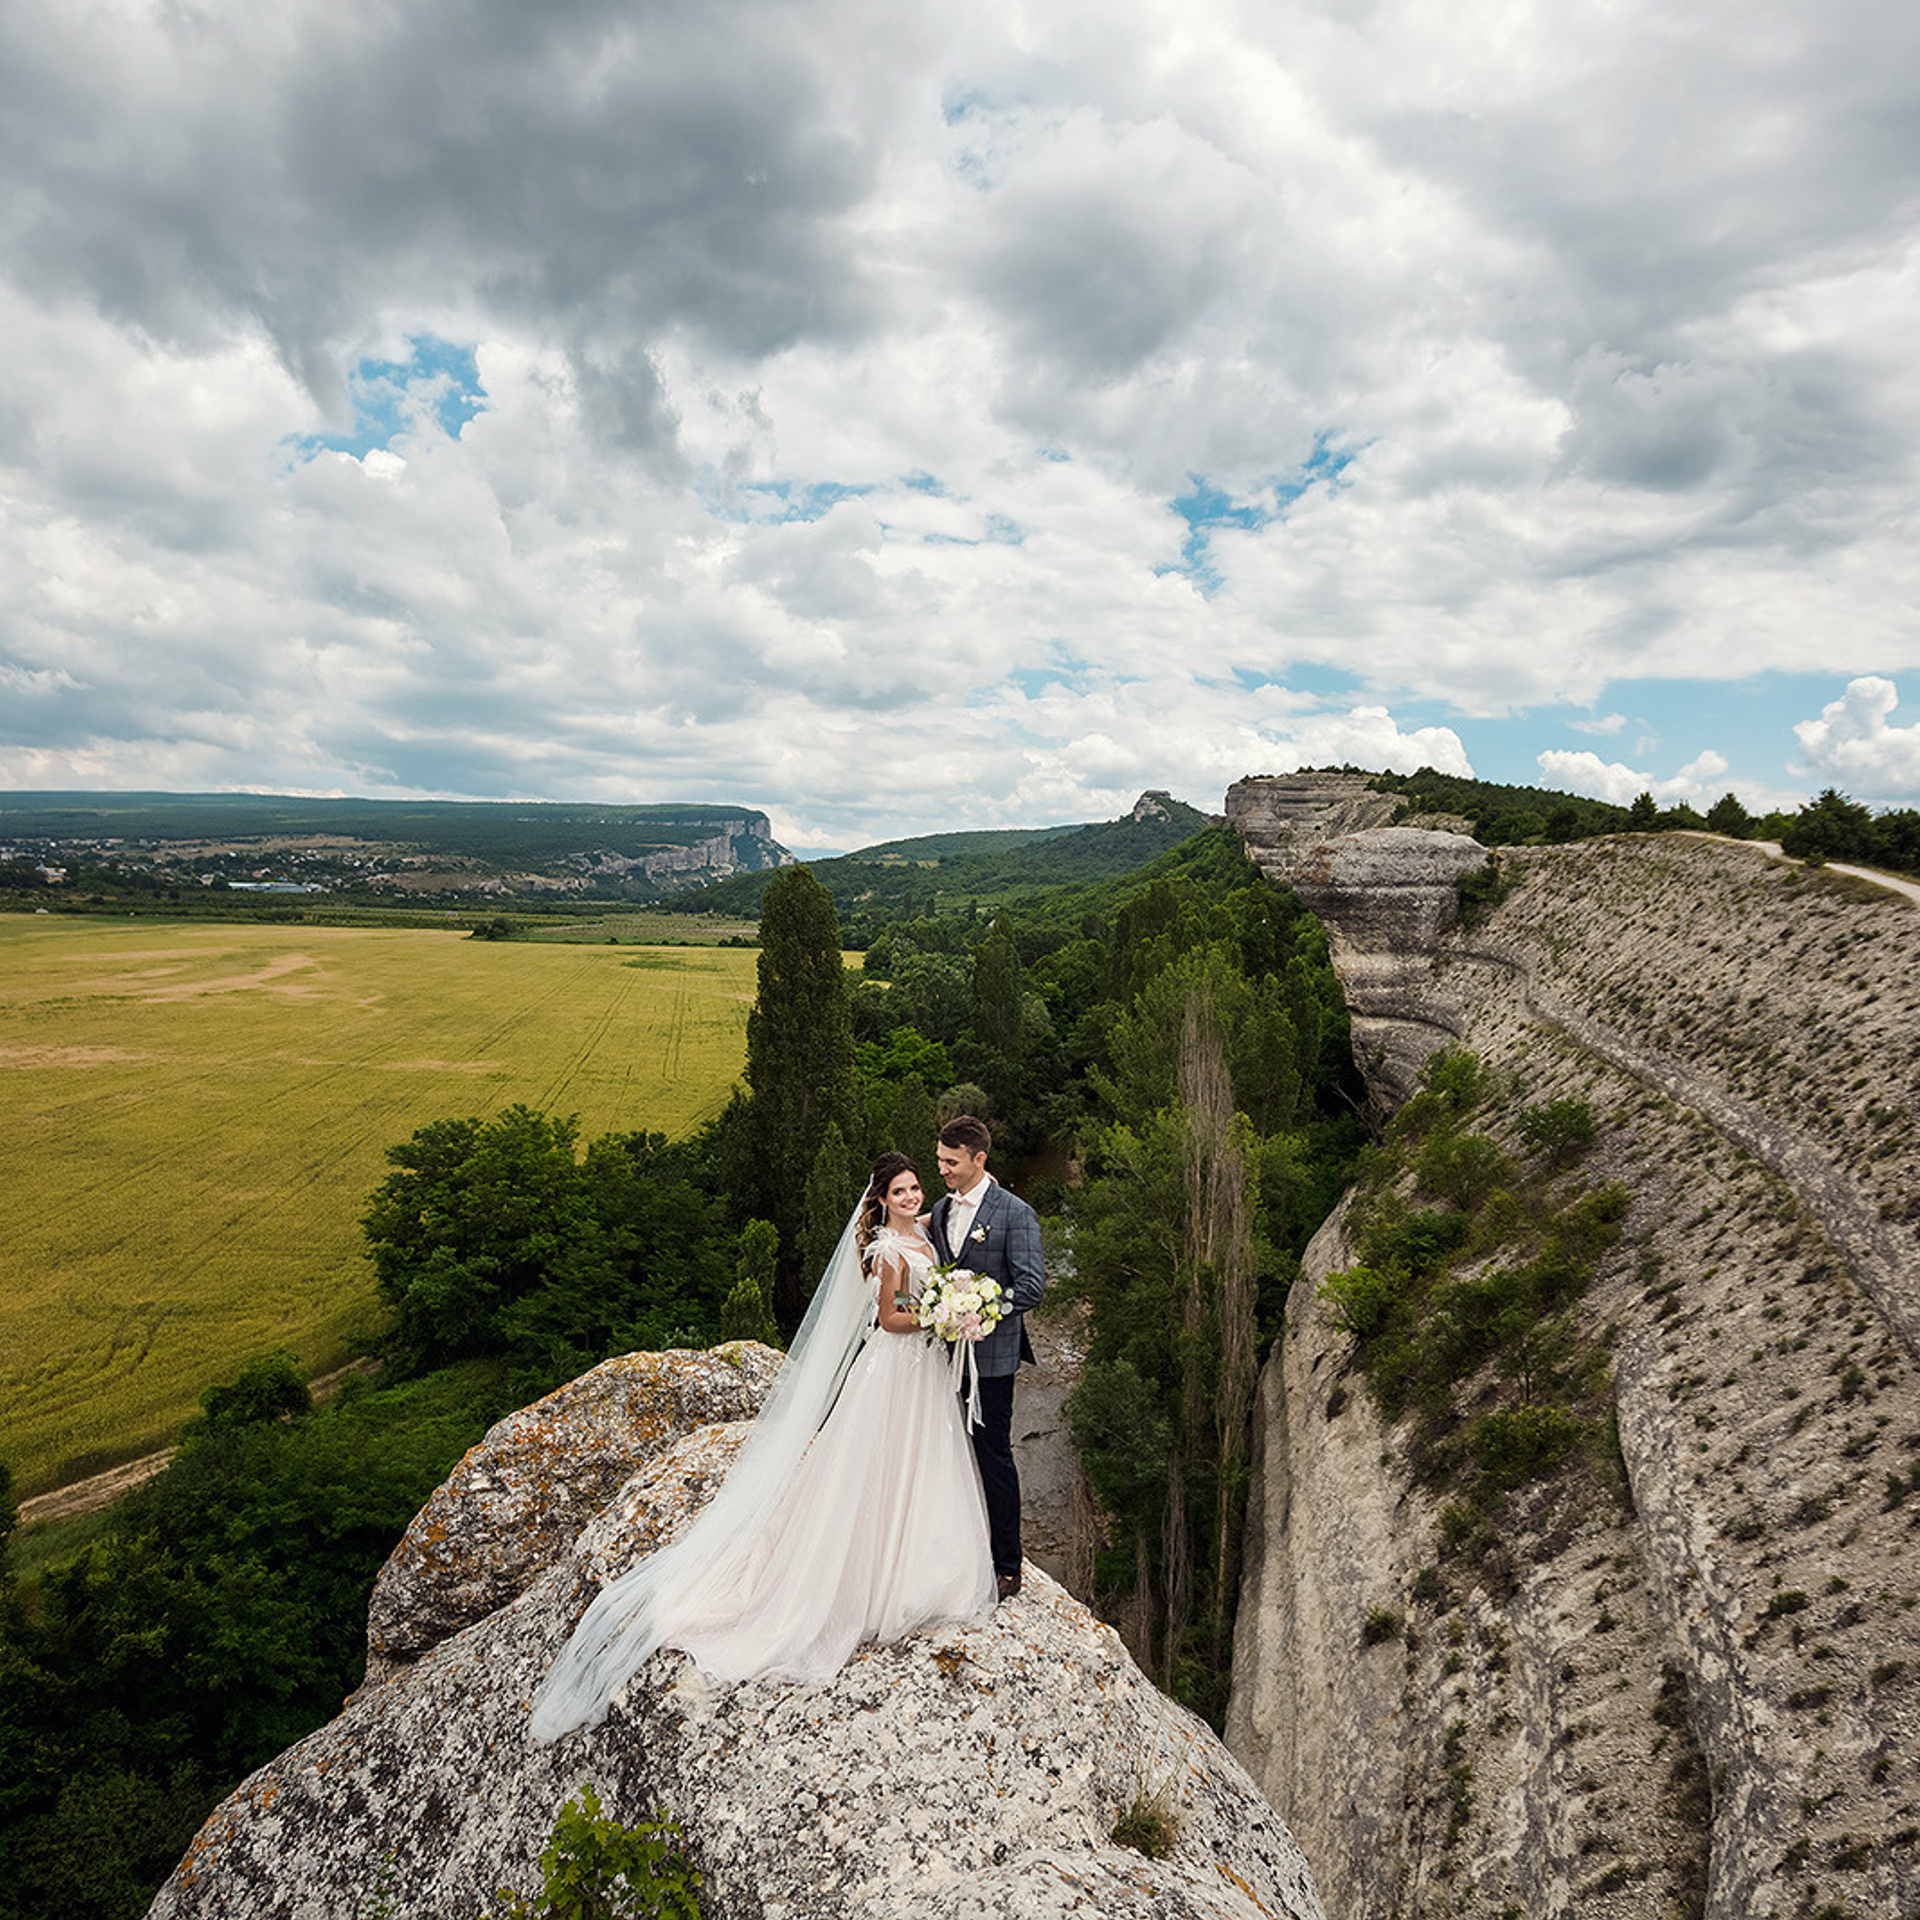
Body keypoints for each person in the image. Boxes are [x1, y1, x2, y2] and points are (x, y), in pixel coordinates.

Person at [528, 1152, 995, 1740]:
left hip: (921, 1372)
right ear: (880, 1200)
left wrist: (953, 1296)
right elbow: (891, 1318)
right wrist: (942, 1317)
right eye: (899, 1191)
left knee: (919, 1466)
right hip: (895, 1368)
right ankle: (866, 1585)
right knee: (875, 1469)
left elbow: (937, 1253)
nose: (911, 1197)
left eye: (914, 1187)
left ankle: (921, 1565)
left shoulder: (923, 1234)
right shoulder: (887, 1252)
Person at [929, 1115, 1047, 1600]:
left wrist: (980, 1308)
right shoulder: (940, 1209)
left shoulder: (1016, 1213)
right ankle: (957, 1549)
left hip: (993, 1360)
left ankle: (1007, 1565)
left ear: (979, 1159)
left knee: (992, 1455)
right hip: (941, 1357)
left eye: (951, 1162)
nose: (942, 1170)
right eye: (939, 1160)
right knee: (946, 1451)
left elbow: (1031, 1286)